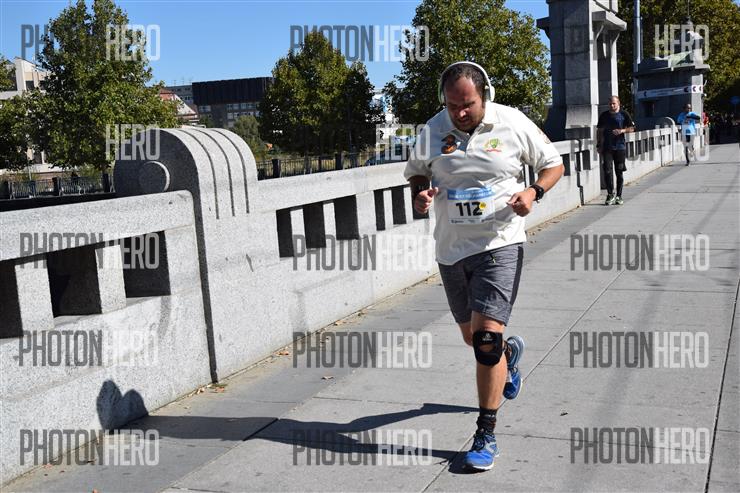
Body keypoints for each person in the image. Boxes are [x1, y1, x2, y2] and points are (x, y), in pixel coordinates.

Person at [404, 61, 564, 471]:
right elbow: (417, 174)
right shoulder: (432, 129)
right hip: (451, 250)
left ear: (484, 95)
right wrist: (420, 196)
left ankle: (486, 433)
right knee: (471, 337)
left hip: (500, 243)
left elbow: (554, 164)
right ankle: (509, 354)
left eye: (468, 104)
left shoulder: (512, 122)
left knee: (485, 340)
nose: (459, 113)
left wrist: (533, 191)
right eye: (452, 105)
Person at [596, 96, 635, 205]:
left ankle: (619, 196)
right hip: (607, 148)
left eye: (614, 103)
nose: (612, 105)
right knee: (607, 171)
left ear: (618, 103)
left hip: (620, 147)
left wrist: (622, 130)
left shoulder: (624, 114)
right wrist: (599, 144)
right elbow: (599, 130)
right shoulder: (604, 115)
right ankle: (610, 195)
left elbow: (632, 128)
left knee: (619, 172)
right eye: (610, 104)